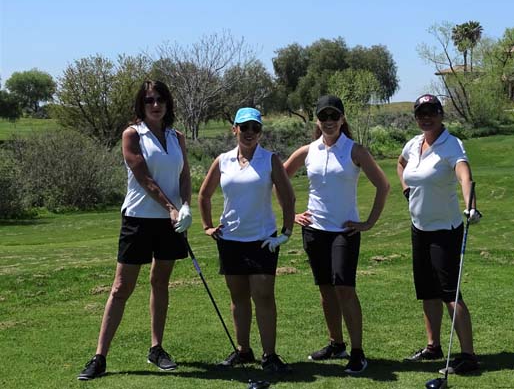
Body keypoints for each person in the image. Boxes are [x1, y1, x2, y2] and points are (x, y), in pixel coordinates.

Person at [78, 80, 193, 381]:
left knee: (160, 282)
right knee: (120, 288)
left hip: (171, 222)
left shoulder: (176, 136)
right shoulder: (133, 134)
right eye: (149, 100)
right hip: (139, 219)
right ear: (141, 105)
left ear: (168, 104)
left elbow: (184, 175)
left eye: (160, 100)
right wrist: (171, 207)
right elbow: (144, 178)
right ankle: (99, 356)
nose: (155, 105)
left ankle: (157, 348)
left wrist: (186, 206)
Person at [283, 95, 390, 375]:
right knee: (325, 290)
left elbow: (384, 185)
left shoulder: (355, 150)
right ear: (317, 120)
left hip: (344, 231)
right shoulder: (308, 150)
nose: (329, 121)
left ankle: (357, 351)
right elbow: (278, 179)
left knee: (344, 289)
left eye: (334, 116)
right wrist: (291, 215)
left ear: (343, 119)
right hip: (314, 230)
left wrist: (368, 222)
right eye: (324, 117)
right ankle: (336, 343)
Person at [198, 107, 296, 375]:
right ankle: (243, 350)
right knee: (238, 296)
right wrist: (207, 226)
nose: (250, 133)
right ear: (235, 130)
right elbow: (204, 196)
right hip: (230, 239)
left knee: (263, 296)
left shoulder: (270, 159)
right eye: (245, 127)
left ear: (260, 131)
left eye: (255, 128)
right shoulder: (223, 161)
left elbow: (288, 197)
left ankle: (270, 355)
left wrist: (286, 232)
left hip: (262, 239)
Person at [396, 94, 482, 375]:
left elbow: (464, 175)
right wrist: (406, 190)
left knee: (450, 294)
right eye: (421, 113)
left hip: (445, 230)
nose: (426, 117)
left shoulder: (451, 144)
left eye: (431, 111)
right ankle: (433, 347)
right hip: (419, 227)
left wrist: (471, 205)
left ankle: (468, 356)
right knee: (427, 292)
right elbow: (401, 164)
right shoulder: (413, 144)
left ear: (441, 114)